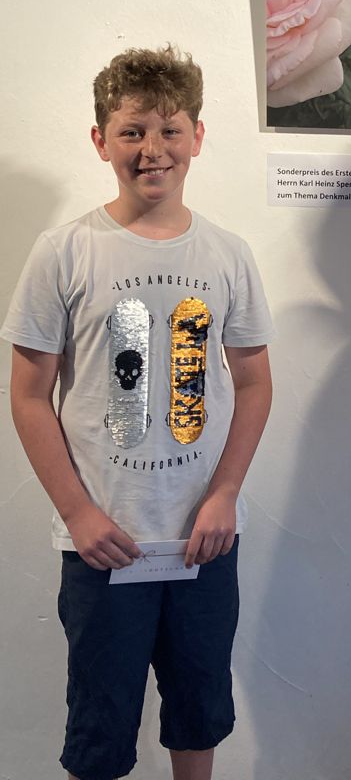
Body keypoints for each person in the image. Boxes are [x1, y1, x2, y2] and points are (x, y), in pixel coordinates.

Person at [1, 45, 275, 780]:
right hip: (103, 541)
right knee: (100, 723)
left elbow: (254, 383)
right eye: (132, 131)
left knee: (198, 711)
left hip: (202, 539)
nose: (153, 149)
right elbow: (27, 395)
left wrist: (224, 494)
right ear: (101, 141)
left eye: (169, 129)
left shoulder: (228, 255)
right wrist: (78, 513)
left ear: (197, 136)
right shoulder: (64, 253)